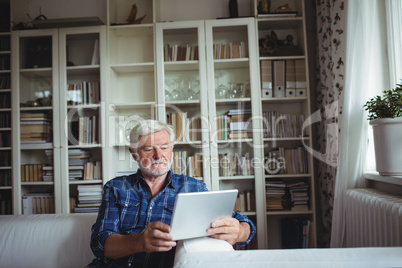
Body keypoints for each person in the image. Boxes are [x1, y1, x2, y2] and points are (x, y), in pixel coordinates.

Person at [89, 119, 256, 267]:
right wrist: (140, 241)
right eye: (149, 149)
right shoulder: (116, 187)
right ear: (134, 154)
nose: (158, 155)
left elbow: (242, 222)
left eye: (164, 147)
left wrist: (240, 231)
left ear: (172, 150)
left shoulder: (193, 187)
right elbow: (100, 243)